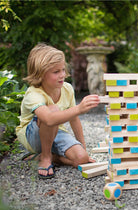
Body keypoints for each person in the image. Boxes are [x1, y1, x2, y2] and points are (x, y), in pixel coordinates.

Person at [16, 43, 100, 179]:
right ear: (40, 74)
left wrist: (83, 149)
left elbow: (74, 119)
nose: (62, 75)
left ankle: (51, 156)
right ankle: (45, 158)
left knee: (81, 158)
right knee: (53, 111)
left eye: (63, 70)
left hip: (56, 132)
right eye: (56, 72)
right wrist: (79, 108)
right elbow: (49, 119)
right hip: (33, 136)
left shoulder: (66, 89)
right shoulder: (34, 94)